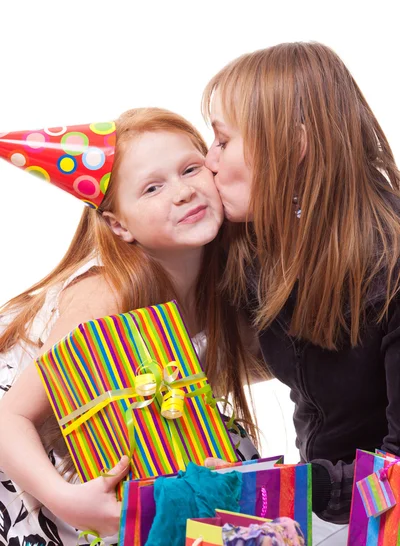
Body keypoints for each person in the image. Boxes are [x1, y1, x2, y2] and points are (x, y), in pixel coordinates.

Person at [0, 108, 260, 545]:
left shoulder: (223, 286)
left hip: (108, 446)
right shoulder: (107, 296)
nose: (182, 192)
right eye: (153, 187)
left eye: (190, 169)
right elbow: (10, 418)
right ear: (119, 225)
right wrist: (66, 500)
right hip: (26, 464)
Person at [202, 41, 400, 544]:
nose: (209, 161)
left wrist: (265, 491)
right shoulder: (262, 241)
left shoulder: (393, 262)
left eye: (223, 142)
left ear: (293, 146)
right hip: (332, 509)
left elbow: (397, 481)